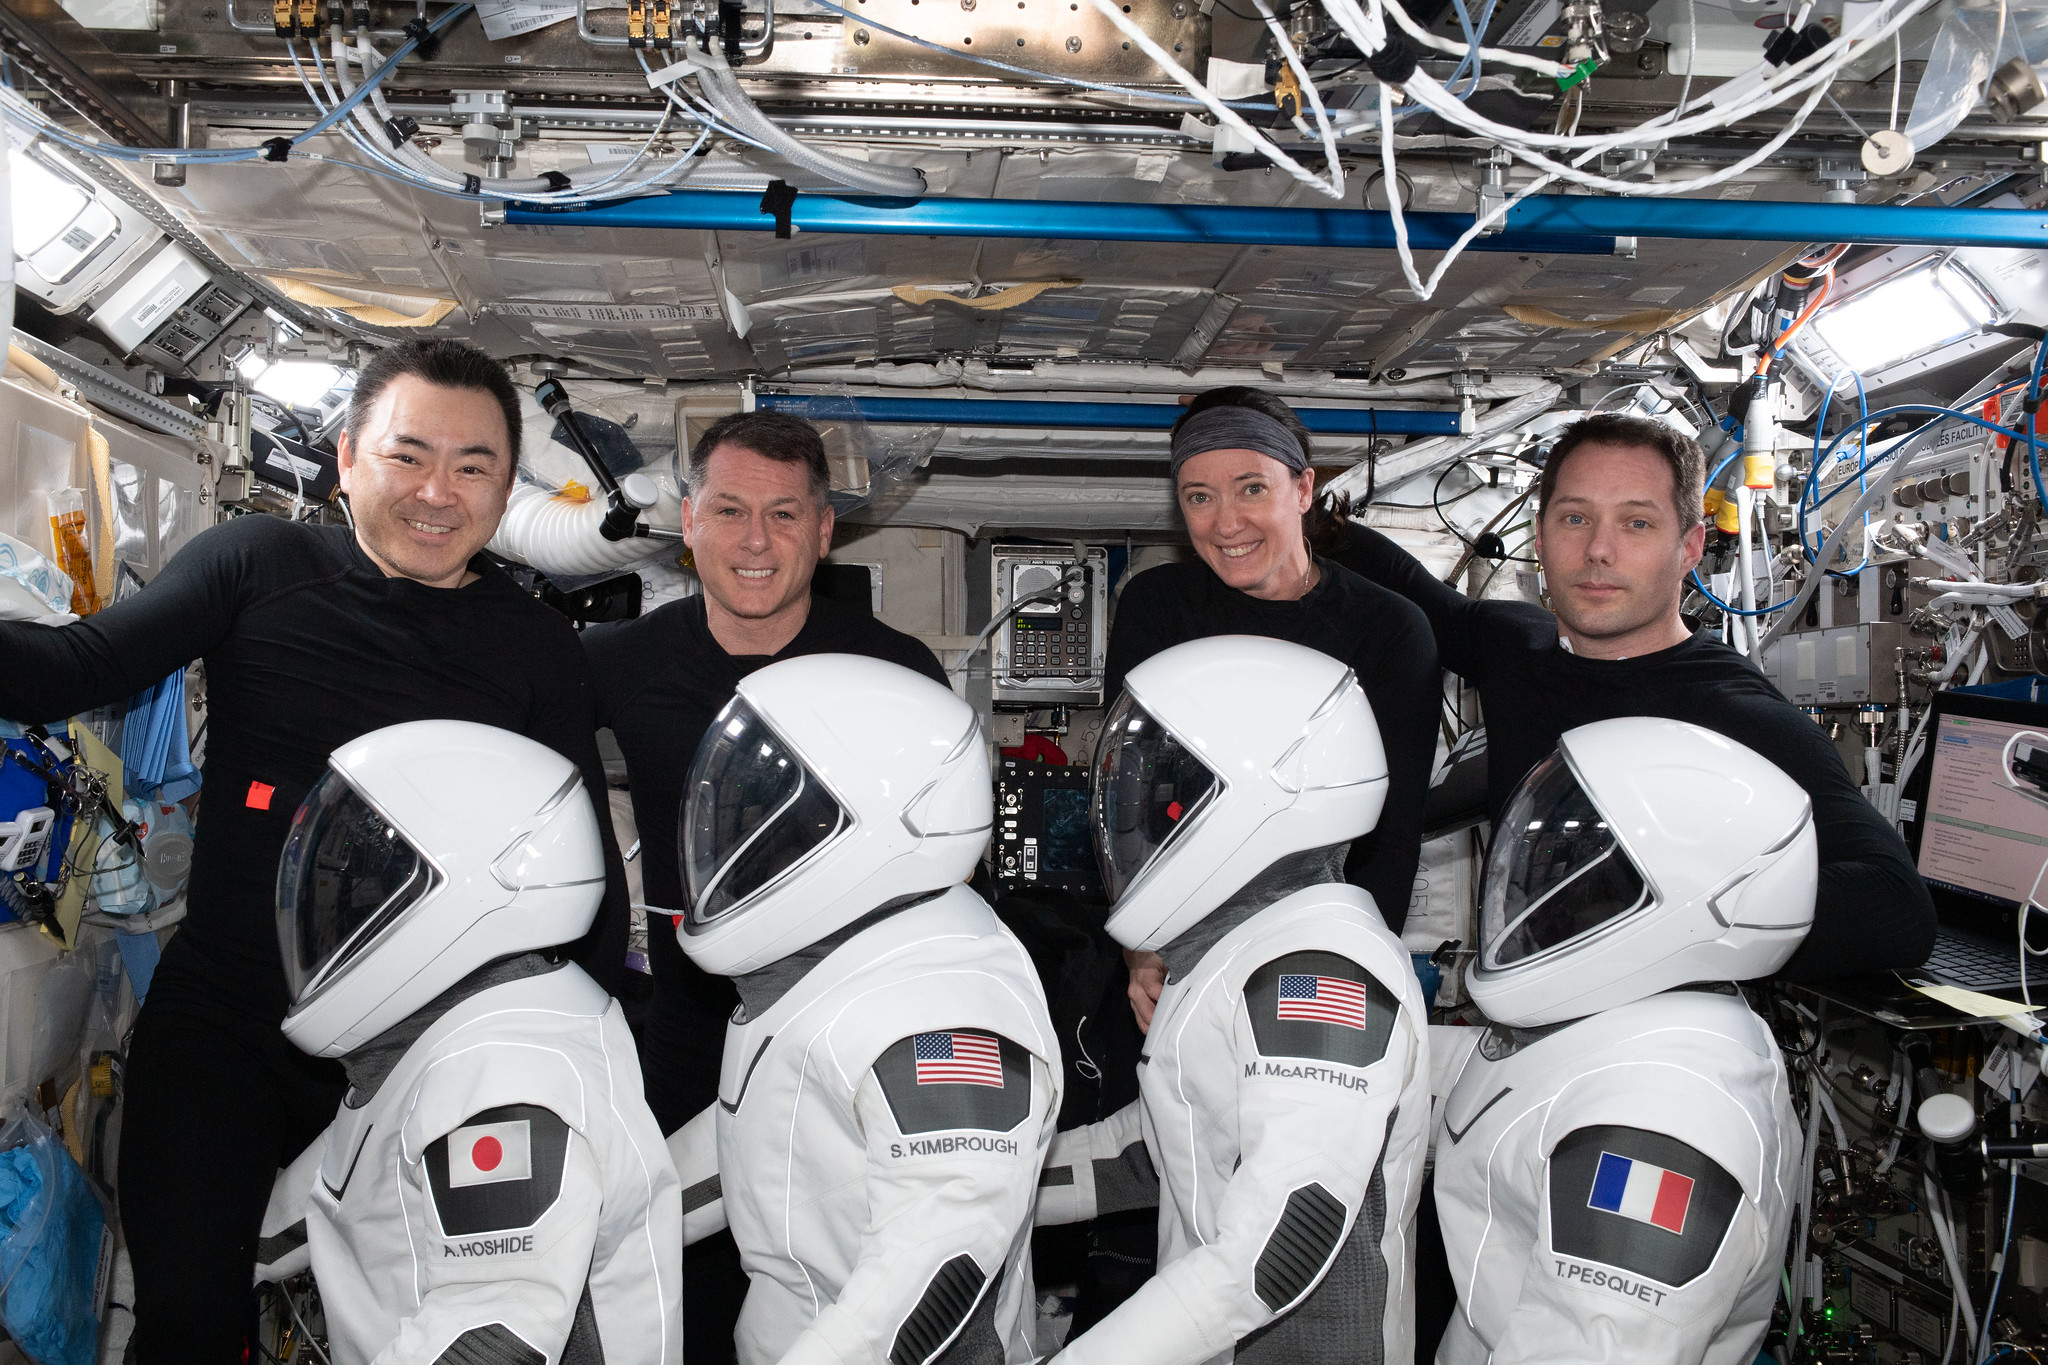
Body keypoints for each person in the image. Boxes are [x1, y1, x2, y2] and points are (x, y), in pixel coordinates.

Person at [0, 339, 628, 1362]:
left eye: (473, 467)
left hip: (422, 1056)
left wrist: (589, 1066)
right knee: (189, 1323)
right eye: (406, 455)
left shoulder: (535, 649)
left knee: (418, 1335)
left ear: (508, 487)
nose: (436, 492)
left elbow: (586, 881)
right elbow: (72, 668)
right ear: (346, 459)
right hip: (229, 1029)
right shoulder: (258, 564)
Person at [1330, 411, 1934, 980]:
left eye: (1637, 523)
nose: (1598, 549)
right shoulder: (1516, 646)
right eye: (1574, 518)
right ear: (1539, 537)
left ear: (1690, 548)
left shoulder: (1733, 714)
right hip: (1522, 1017)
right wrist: (1299, 519)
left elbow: (1896, 907)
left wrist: (1653, 915)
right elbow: (1419, 597)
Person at [1036, 636, 1431, 1365]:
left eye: (1171, 788)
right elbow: (1164, 1145)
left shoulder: (1317, 974)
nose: (1143, 816)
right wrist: (980, 1179)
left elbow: (1280, 1244)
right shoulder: (1251, 945)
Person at [664, 654, 1060, 1365]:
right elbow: (767, 1134)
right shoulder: (868, 940)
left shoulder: (942, 1020)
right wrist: (591, 1220)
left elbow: (933, 1303)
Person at [256, 720, 680, 1363]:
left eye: (381, 876)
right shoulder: (462, 1029)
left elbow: (493, 1340)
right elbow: (347, 1175)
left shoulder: (509, 1083)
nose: (349, 898)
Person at [1432, 716, 1812, 1365]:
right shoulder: (1643, 1014)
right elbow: (1503, 1082)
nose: (1542, 884)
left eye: (1588, 874)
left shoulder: (1660, 1131)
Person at [1108, 386, 1439, 1032]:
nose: (1225, 522)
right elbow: (1130, 796)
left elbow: (1391, 839)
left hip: (1322, 948)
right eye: (1199, 497)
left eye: (1251, 488)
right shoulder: (1157, 607)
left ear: (1304, 488)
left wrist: (1341, 966)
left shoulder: (1390, 631)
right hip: (1176, 946)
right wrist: (1141, 944)